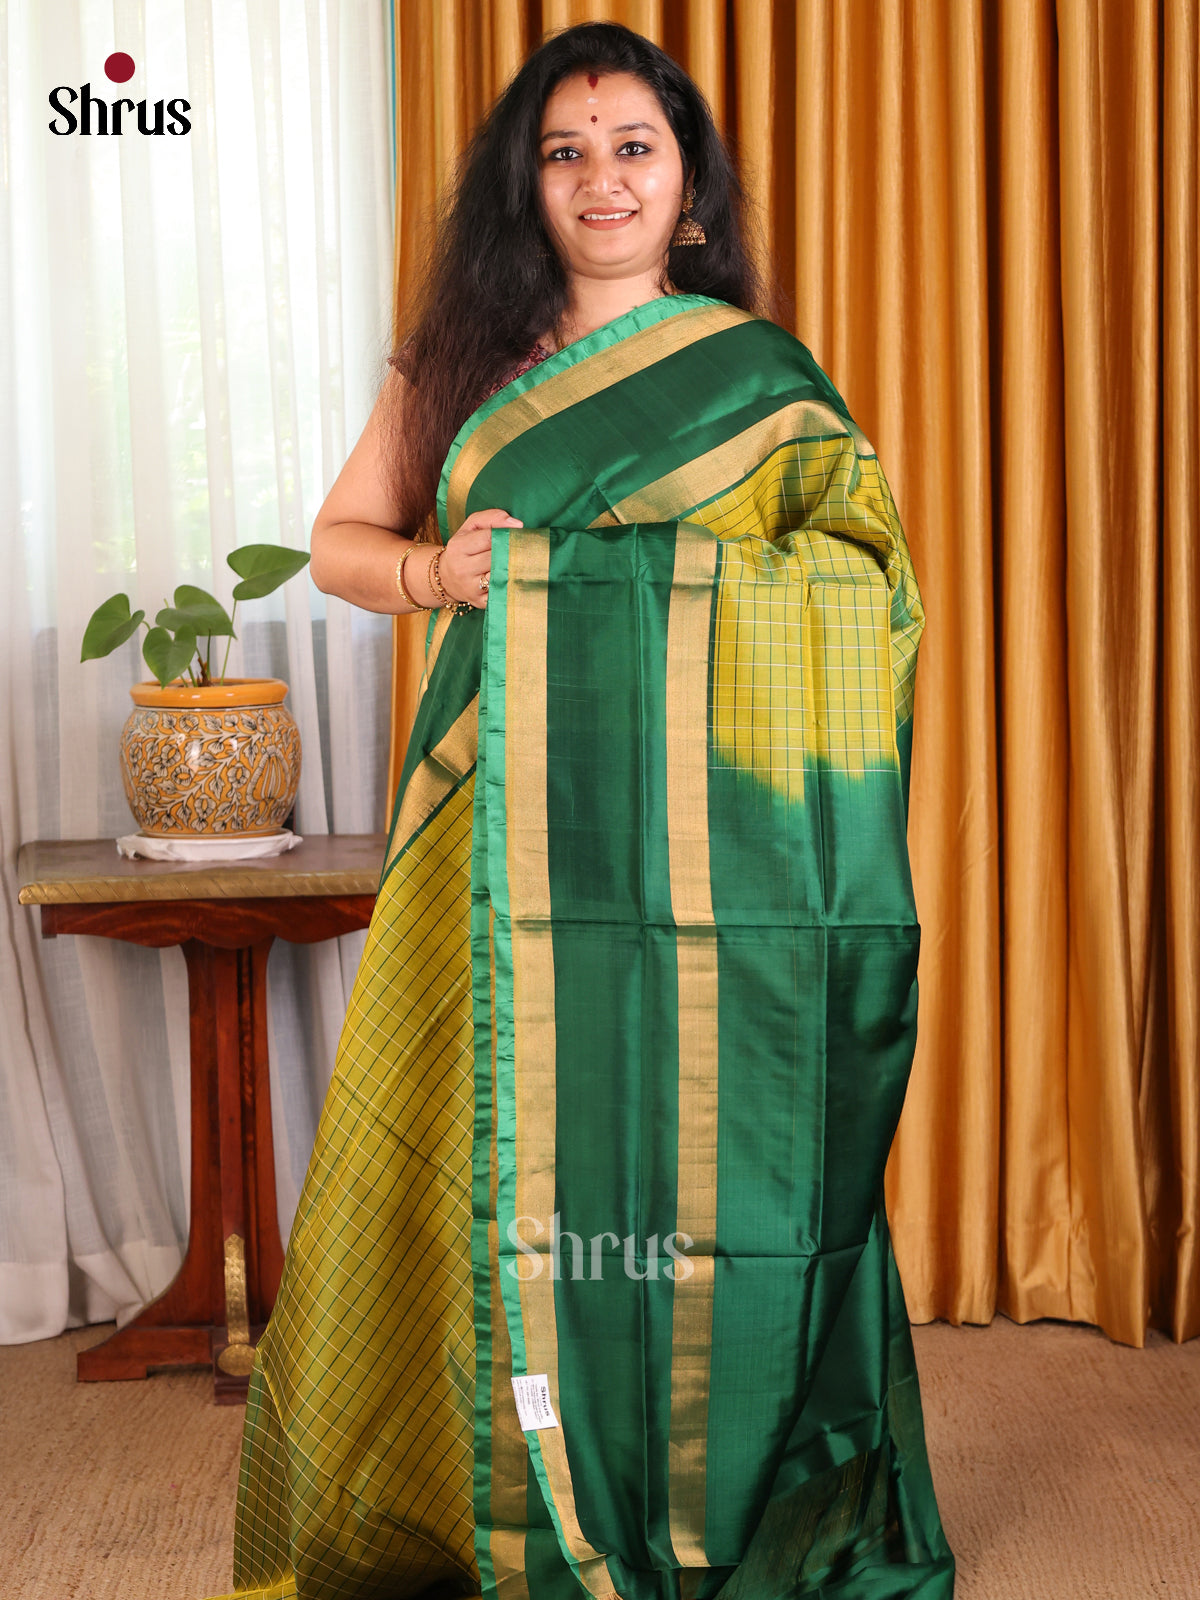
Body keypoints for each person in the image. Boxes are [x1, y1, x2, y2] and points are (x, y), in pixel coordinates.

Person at [215, 21, 956, 1600]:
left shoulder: (756, 383)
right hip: (488, 841)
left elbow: (863, 589)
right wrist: (439, 570)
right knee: (478, 1148)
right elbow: (342, 543)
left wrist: (618, 583)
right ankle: (494, 1491)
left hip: (707, 864)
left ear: (689, 187)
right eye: (566, 152)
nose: (602, 179)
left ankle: (708, 1483)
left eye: (634, 149)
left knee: (699, 1160)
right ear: (526, 184)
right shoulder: (459, 365)